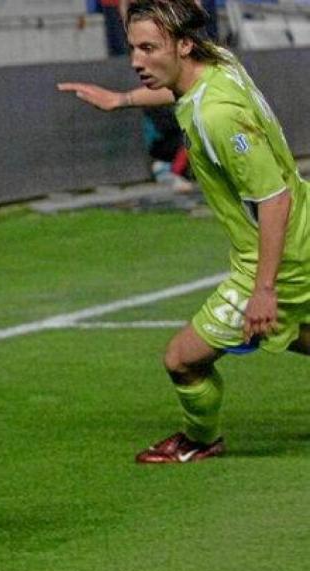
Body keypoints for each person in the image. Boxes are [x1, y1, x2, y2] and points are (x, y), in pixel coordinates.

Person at [58, 0, 310, 464]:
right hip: (305, 230)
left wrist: (264, 288)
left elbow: (274, 199)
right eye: (134, 48)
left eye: (149, 48)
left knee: (182, 359)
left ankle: (199, 440)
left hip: (281, 253)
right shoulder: (217, 64)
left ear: (184, 44)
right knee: (288, 331)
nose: (136, 61)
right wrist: (123, 100)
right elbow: (176, 84)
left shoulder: (217, 116)